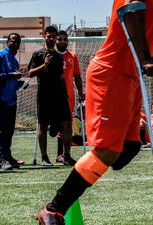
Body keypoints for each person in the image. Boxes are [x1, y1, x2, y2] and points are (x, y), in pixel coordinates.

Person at [36, 1, 153, 224]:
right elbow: (131, 12)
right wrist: (147, 60)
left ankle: (98, 160)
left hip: (130, 77)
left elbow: (150, 31)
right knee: (108, 151)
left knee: (130, 147)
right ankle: (52, 209)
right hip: (111, 75)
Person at [28, 26, 76, 166]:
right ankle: (44, 158)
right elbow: (30, 73)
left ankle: (66, 155)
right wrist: (44, 65)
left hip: (60, 97)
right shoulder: (38, 54)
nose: (51, 39)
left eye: (53, 36)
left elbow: (61, 77)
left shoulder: (58, 56)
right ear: (44, 36)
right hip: (44, 96)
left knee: (67, 124)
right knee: (43, 126)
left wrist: (65, 94)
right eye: (48, 36)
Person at [0, 33, 25, 170]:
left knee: (9, 131)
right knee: (0, 130)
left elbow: (11, 81)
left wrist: (20, 83)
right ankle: (3, 159)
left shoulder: (15, 61)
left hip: (11, 101)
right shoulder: (0, 55)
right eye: (13, 41)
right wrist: (11, 75)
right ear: (7, 41)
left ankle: (8, 156)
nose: (15, 44)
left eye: (18, 42)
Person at [55, 30, 84, 163]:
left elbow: (77, 76)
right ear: (55, 40)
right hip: (54, 96)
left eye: (64, 39)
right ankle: (58, 154)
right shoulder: (51, 55)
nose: (62, 41)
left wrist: (81, 92)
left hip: (69, 96)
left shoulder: (72, 56)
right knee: (56, 126)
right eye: (59, 39)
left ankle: (64, 155)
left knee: (67, 125)